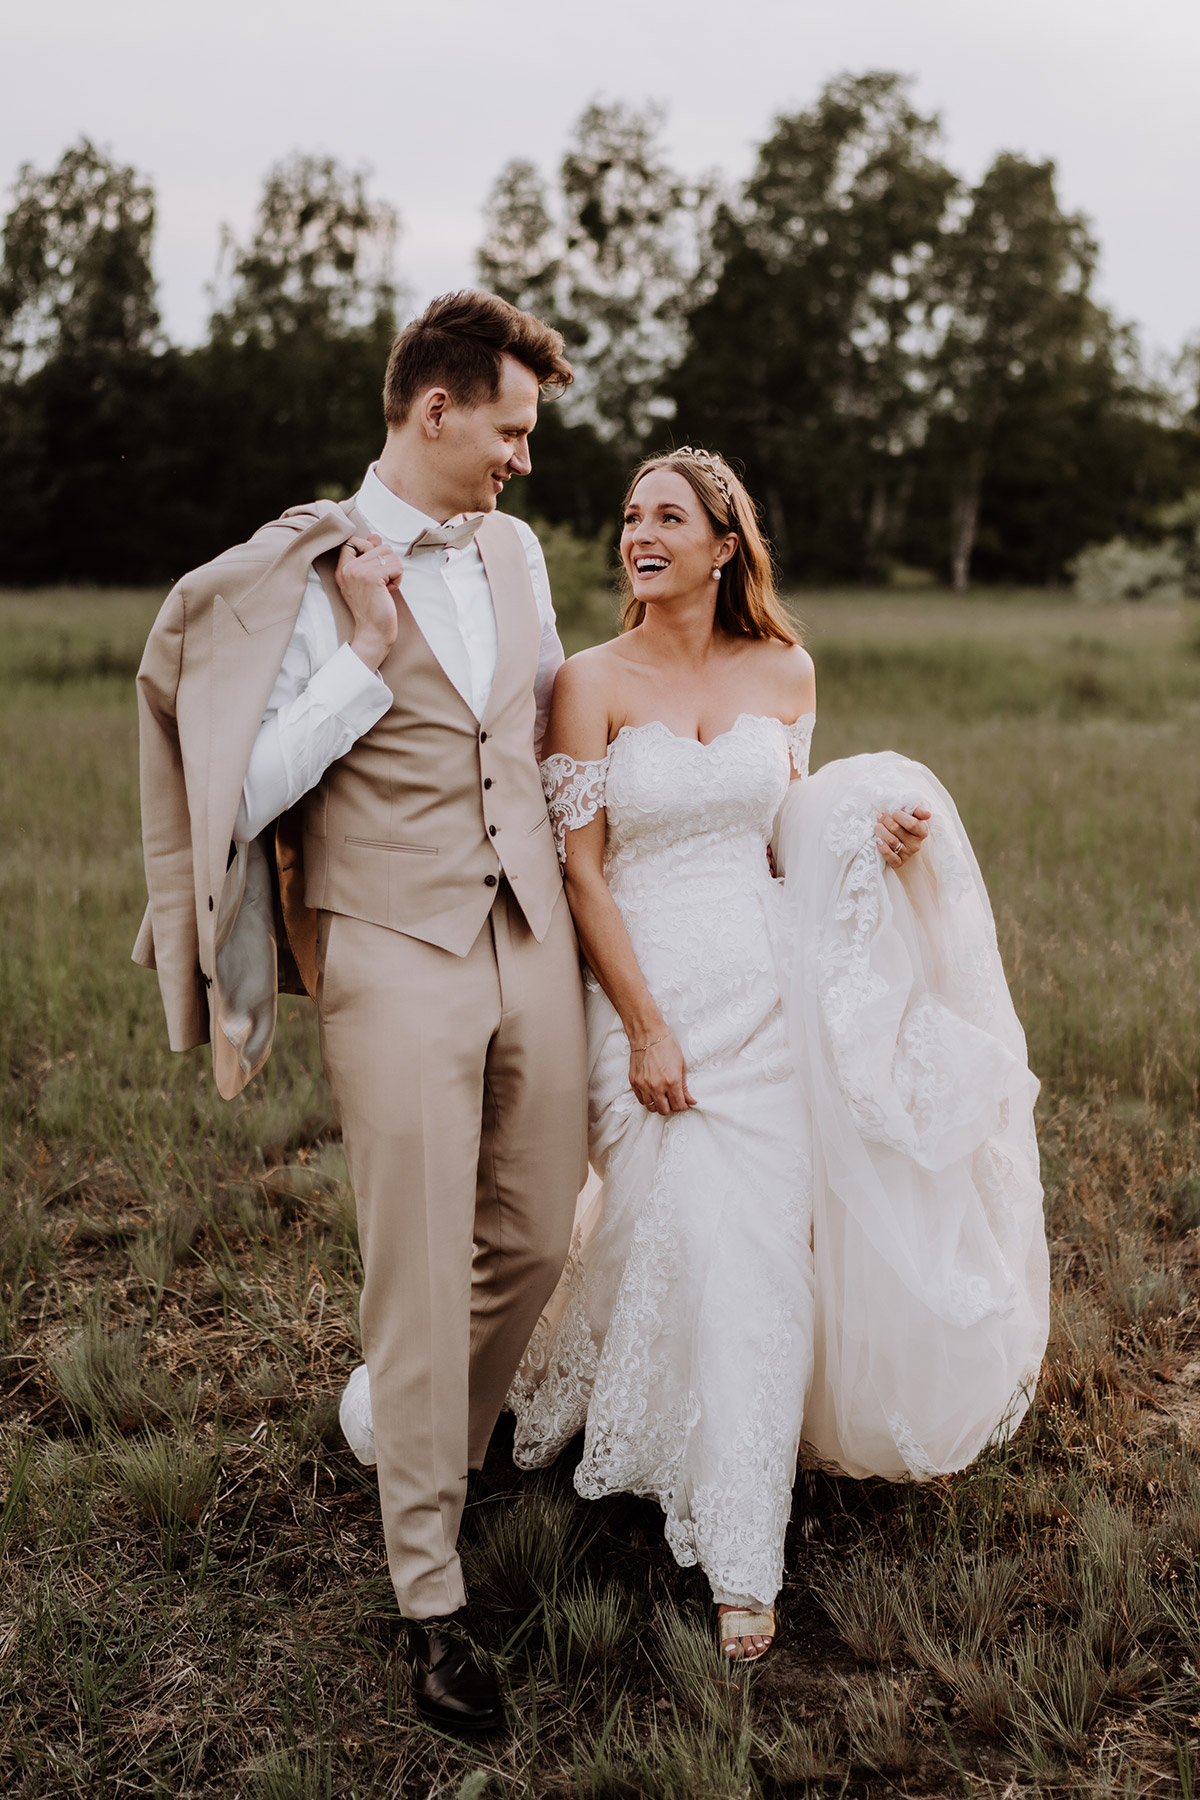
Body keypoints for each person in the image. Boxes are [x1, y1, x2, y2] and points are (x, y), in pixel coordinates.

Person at [498, 447, 1050, 1662]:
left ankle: (745, 1559)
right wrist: (641, 1022)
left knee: (759, 1246)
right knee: (672, 1217)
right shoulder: (586, 682)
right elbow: (582, 869)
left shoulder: (788, 669)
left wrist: (876, 829)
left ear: (725, 544)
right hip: (647, 986)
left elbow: (787, 834)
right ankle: (627, 1417)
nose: (641, 534)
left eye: (668, 518)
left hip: (766, 984)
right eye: (631, 516)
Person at [134, 291, 589, 1732]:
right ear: (433, 409)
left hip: (534, 929)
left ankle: (408, 1435)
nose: (523, 459)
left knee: (529, 1236)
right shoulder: (300, 573)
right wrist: (358, 651)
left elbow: (534, 726)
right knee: (411, 1263)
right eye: (509, 430)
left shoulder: (516, 552)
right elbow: (243, 792)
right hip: (392, 942)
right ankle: (430, 1597)